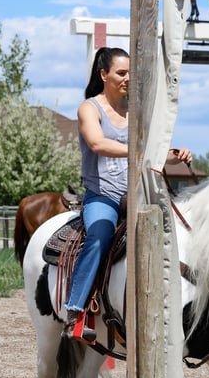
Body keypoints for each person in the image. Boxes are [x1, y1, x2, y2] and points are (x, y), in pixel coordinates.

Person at [63, 46, 193, 342]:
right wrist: (140, 151)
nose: (127, 78)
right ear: (103, 75)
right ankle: (75, 313)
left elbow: (153, 154)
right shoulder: (89, 109)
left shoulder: (135, 110)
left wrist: (176, 154)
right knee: (99, 236)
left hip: (137, 193)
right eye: (121, 73)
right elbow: (97, 144)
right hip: (103, 197)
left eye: (130, 73)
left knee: (178, 229)